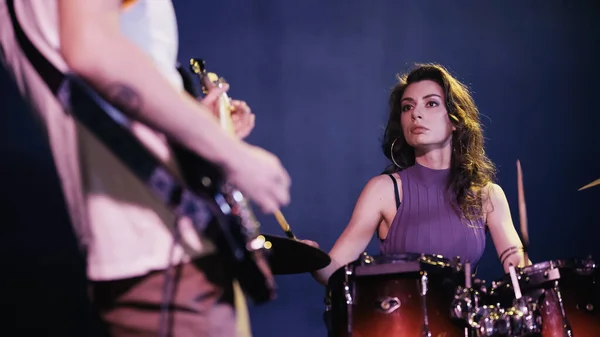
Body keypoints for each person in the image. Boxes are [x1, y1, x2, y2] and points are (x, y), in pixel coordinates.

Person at [0, 1, 290, 336]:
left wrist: (197, 123)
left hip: (148, 255)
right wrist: (234, 157)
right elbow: (91, 48)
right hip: (169, 253)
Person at [304, 63, 529, 286]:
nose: (416, 114)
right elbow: (335, 270)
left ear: (455, 120)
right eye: (407, 107)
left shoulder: (487, 195)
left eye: (431, 103)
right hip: (402, 320)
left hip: (464, 321)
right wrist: (312, 258)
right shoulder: (383, 190)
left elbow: (520, 272)